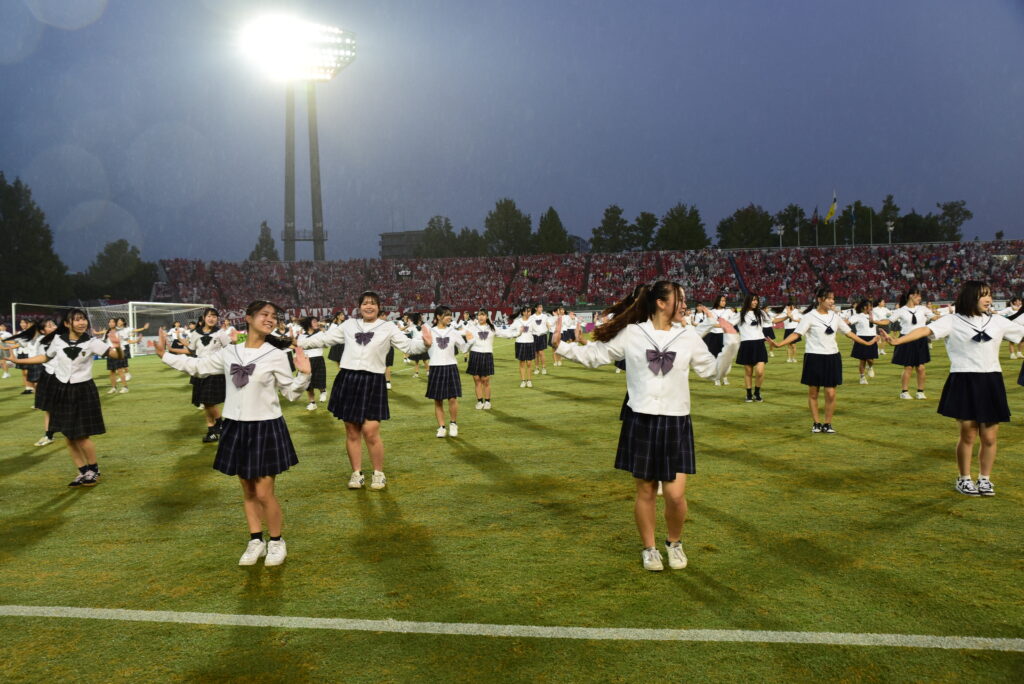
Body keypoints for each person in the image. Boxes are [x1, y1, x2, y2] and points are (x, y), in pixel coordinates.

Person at [552, 281, 739, 572]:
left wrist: (731, 343)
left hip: (677, 421)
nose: (685, 304)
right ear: (661, 303)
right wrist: (560, 346)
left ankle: (674, 543)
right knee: (647, 492)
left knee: (676, 496)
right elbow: (595, 356)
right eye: (680, 299)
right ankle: (649, 549)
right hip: (641, 419)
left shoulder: (688, 335)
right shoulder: (633, 333)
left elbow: (712, 371)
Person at [156, 300, 311, 566]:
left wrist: (304, 375)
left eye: (274, 316)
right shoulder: (230, 351)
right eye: (264, 314)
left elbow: (290, 392)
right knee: (248, 490)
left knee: (264, 492)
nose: (270, 319)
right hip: (235, 426)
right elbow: (198, 367)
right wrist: (165, 355)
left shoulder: (276, 354)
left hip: (265, 425)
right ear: (248, 318)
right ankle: (255, 540)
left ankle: (276, 541)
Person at [883, 281, 1023, 497]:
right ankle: (964, 478)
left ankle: (985, 479)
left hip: (991, 380)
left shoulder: (997, 321)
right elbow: (924, 330)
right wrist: (898, 341)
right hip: (964, 379)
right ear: (970, 297)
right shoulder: (952, 320)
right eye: (983, 295)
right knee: (968, 434)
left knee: (990, 437)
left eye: (990, 295)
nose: (988, 299)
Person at [294, 291, 427, 491]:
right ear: (359, 306)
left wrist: (426, 341)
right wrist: (300, 342)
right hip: (349, 378)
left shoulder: (388, 327)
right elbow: (325, 339)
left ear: (379, 307)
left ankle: (378, 473)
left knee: (371, 431)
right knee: (352, 430)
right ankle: (356, 473)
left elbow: (408, 346)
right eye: (365, 303)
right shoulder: (348, 325)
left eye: (373, 303)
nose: (369, 306)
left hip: (373, 380)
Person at [8, 309, 125, 487]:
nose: (81, 323)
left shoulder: (92, 342)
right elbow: (45, 357)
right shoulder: (57, 340)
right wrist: (19, 361)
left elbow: (117, 355)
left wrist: (117, 346)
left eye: (83, 319)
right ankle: (83, 471)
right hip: (61, 389)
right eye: (77, 320)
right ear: (67, 323)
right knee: (68, 435)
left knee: (81, 435)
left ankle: (94, 470)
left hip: (83, 390)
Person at [772, 288, 877, 434]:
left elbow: (849, 333)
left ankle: (828, 423)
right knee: (813, 393)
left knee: (831, 393)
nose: (832, 301)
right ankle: (816, 423)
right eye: (828, 298)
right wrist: (779, 344)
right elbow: (797, 334)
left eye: (833, 298)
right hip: (814, 356)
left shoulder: (835, 317)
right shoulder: (809, 317)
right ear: (820, 299)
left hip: (832, 357)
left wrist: (867, 343)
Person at [187, 308, 232, 442]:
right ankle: (212, 432)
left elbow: (229, 349)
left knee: (208, 401)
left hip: (214, 370)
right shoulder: (195, 333)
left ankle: (220, 424)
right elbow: (191, 350)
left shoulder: (221, 333)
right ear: (204, 317)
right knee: (206, 403)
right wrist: (170, 350)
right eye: (209, 316)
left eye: (214, 316)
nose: (212, 318)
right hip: (199, 369)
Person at [735, 293, 785, 402]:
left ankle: (757, 392)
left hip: (759, 344)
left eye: (756, 300)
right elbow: (728, 324)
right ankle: (749, 394)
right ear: (748, 300)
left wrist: (787, 316)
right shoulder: (740, 314)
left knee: (760, 371)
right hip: (746, 344)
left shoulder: (761, 313)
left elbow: (773, 321)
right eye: (753, 300)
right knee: (748, 372)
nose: (755, 302)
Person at [465, 309, 518, 410]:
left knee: (486, 380)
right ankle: (479, 401)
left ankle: (487, 402)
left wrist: (517, 333)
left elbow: (505, 334)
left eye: (483, 315)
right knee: (476, 380)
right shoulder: (472, 327)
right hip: (475, 354)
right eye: (479, 315)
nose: (481, 317)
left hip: (487, 355)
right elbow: (464, 334)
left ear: (487, 317)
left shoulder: (492, 328)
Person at [890, 287, 935, 400]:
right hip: (906, 339)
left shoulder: (923, 309)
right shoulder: (900, 310)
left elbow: (934, 317)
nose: (920, 298)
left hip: (920, 340)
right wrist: (874, 321)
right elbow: (888, 321)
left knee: (921, 368)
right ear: (911, 295)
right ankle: (904, 392)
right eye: (918, 296)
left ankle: (920, 392)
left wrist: (951, 316)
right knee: (908, 367)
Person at [848, 299, 885, 384]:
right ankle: (862, 377)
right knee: (862, 360)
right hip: (861, 338)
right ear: (865, 307)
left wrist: (880, 332)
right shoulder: (857, 316)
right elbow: (849, 322)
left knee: (870, 359)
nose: (871, 308)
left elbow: (880, 322)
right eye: (870, 306)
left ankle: (870, 367)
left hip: (872, 338)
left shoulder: (874, 315)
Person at [297, 316, 328, 410]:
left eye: (317, 321)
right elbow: (299, 349)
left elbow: (326, 345)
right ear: (308, 324)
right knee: (308, 384)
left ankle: (323, 391)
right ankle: (312, 403)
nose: (317, 323)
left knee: (320, 379)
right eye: (314, 322)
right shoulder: (302, 336)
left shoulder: (321, 333)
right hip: (307, 361)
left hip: (318, 359)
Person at [511, 306, 536, 387]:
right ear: (523, 312)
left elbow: (538, 329)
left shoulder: (532, 321)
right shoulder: (517, 321)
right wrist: (514, 334)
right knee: (522, 363)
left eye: (530, 311)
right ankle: (523, 380)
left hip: (530, 343)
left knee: (529, 363)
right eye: (528, 311)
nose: (529, 313)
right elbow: (510, 329)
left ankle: (529, 380)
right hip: (520, 343)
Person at [528, 303, 552, 375]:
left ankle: (544, 368)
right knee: (535, 353)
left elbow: (548, 324)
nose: (541, 308)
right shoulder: (532, 317)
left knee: (541, 352)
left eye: (541, 307)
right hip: (534, 336)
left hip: (542, 335)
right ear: (536, 308)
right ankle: (537, 368)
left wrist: (550, 329)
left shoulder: (544, 316)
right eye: (539, 307)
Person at [782, 298, 802, 363]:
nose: (793, 307)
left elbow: (800, 320)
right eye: (792, 305)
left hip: (794, 329)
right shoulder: (785, 311)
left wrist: (794, 319)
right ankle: (789, 358)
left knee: (793, 345)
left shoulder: (797, 311)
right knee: (788, 345)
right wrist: (788, 312)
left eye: (793, 305)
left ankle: (793, 358)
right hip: (787, 329)